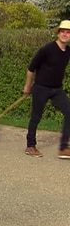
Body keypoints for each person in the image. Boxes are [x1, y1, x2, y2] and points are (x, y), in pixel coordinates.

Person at [24, 20, 70, 159]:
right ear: (58, 33)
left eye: (68, 32)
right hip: (41, 88)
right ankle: (30, 146)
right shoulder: (47, 49)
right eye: (63, 31)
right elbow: (31, 68)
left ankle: (63, 148)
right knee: (36, 117)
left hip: (57, 89)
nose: (65, 34)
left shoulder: (68, 51)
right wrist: (27, 86)